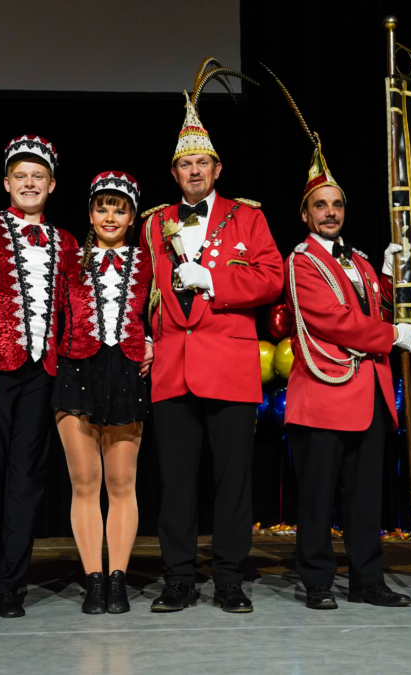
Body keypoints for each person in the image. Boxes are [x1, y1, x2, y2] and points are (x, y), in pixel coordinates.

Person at [142, 62, 283, 614]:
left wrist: (214, 281)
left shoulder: (247, 218)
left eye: (202, 162)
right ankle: (179, 578)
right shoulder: (153, 223)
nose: (194, 171)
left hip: (229, 366)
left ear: (217, 168)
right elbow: (136, 291)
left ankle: (228, 577)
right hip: (172, 367)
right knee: (176, 482)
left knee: (232, 481)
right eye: (186, 164)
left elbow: (272, 278)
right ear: (175, 172)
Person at [281, 127, 411, 610]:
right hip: (325, 392)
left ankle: (367, 580)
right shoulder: (300, 262)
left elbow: (373, 308)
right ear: (305, 214)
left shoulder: (358, 260)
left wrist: (387, 278)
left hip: (369, 393)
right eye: (321, 205)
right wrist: (392, 336)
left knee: (365, 498)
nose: (331, 212)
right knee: (318, 497)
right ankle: (318, 581)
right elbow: (335, 321)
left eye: (337, 205)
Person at [0, 135, 79, 619]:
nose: (29, 183)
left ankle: (10, 583)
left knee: (26, 482)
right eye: (20, 176)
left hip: (41, 375)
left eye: (37, 176)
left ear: (51, 185)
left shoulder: (67, 241)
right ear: (6, 182)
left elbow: (76, 308)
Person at [52, 171, 153, 615]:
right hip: (77, 369)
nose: (110, 216)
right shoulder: (68, 259)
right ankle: (94, 578)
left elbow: (165, 310)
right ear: (90, 213)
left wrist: (151, 341)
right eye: (102, 207)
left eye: (120, 209)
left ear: (132, 217)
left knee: (122, 482)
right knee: (85, 482)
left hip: (126, 372)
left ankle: (118, 579)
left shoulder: (147, 261)